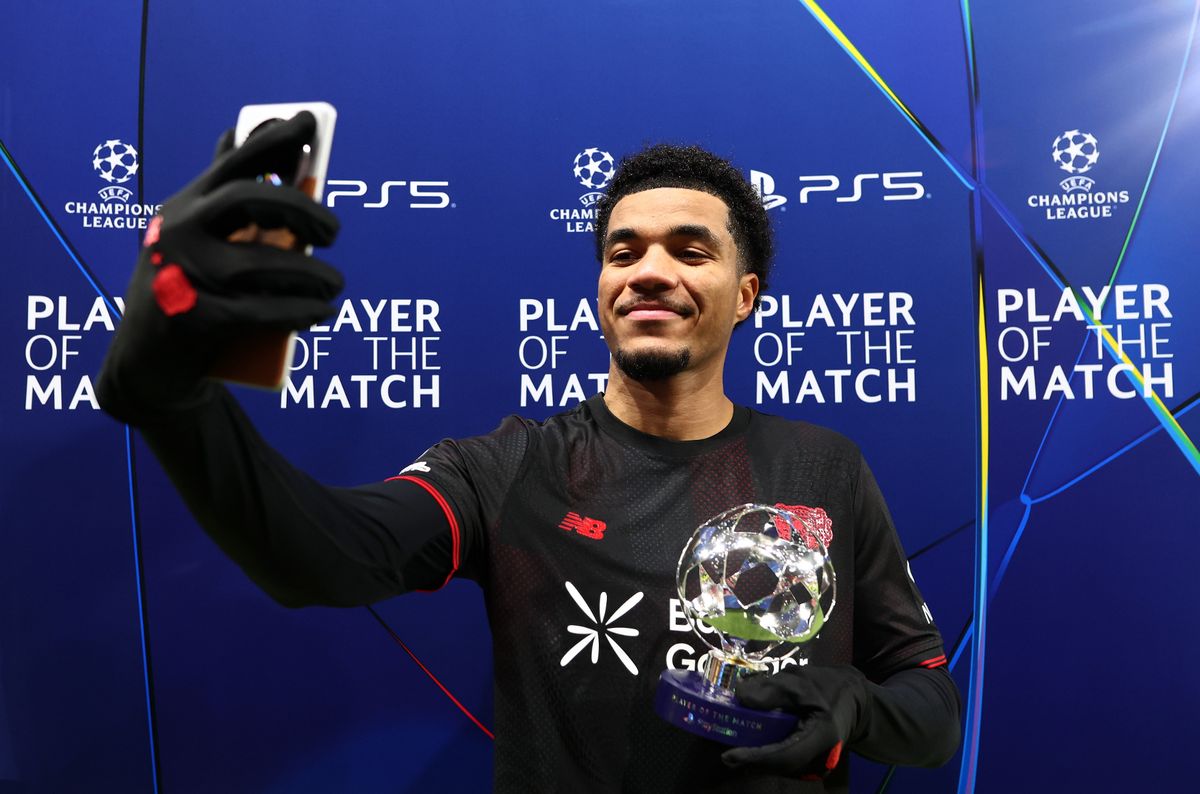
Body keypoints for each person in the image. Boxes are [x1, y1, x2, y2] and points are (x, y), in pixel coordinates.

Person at [97, 112, 961, 792]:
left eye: (689, 251)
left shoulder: (826, 469)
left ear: (744, 296)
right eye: (624, 252)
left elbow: (930, 707)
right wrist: (175, 400)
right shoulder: (510, 468)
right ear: (600, 295)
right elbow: (319, 558)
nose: (649, 270)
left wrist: (852, 705)